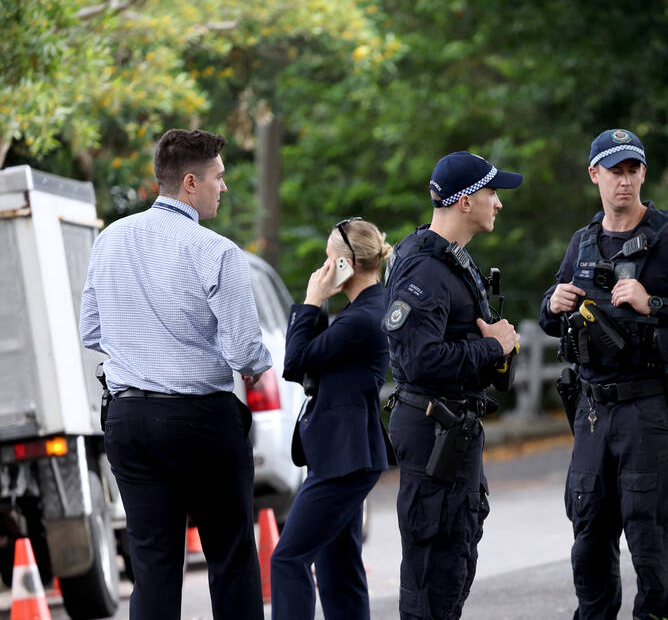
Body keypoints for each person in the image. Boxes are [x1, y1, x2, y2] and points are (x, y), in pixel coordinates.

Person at [540, 128, 668, 620]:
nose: (624, 181)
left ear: (643, 174)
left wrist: (655, 304)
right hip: (591, 411)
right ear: (595, 176)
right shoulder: (582, 242)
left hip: (650, 408)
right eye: (614, 171)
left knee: (651, 543)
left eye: (633, 170)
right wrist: (551, 303)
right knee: (588, 542)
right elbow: (551, 320)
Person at [79, 129, 272, 620]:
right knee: (229, 555)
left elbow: (92, 329)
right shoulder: (217, 251)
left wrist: (142, 349)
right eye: (218, 178)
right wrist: (259, 368)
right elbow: (244, 349)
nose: (223, 188)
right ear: (191, 182)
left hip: (127, 420)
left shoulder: (110, 239)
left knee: (152, 563)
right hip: (199, 421)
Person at [383, 151, 522, 620]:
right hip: (433, 426)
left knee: (453, 554)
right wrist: (494, 348)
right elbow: (419, 359)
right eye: (491, 192)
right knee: (433, 570)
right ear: (464, 201)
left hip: (451, 426)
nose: (498, 203)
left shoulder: (448, 261)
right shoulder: (425, 269)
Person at [270, 218, 393, 620]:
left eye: (329, 259)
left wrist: (311, 300)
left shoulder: (363, 317)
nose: (323, 268)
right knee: (338, 569)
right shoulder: (365, 310)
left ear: (348, 263)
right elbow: (315, 360)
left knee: (288, 559)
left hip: (344, 459)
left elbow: (296, 361)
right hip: (344, 454)